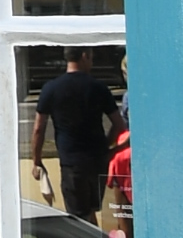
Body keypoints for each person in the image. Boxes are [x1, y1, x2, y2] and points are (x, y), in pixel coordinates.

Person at [31, 49, 126, 225]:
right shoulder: (99, 88)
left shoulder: (51, 88)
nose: (92, 62)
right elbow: (118, 124)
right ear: (84, 56)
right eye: (92, 58)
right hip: (98, 160)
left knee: (79, 219)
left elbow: (38, 128)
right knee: (91, 211)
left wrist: (36, 160)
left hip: (72, 163)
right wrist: (106, 145)